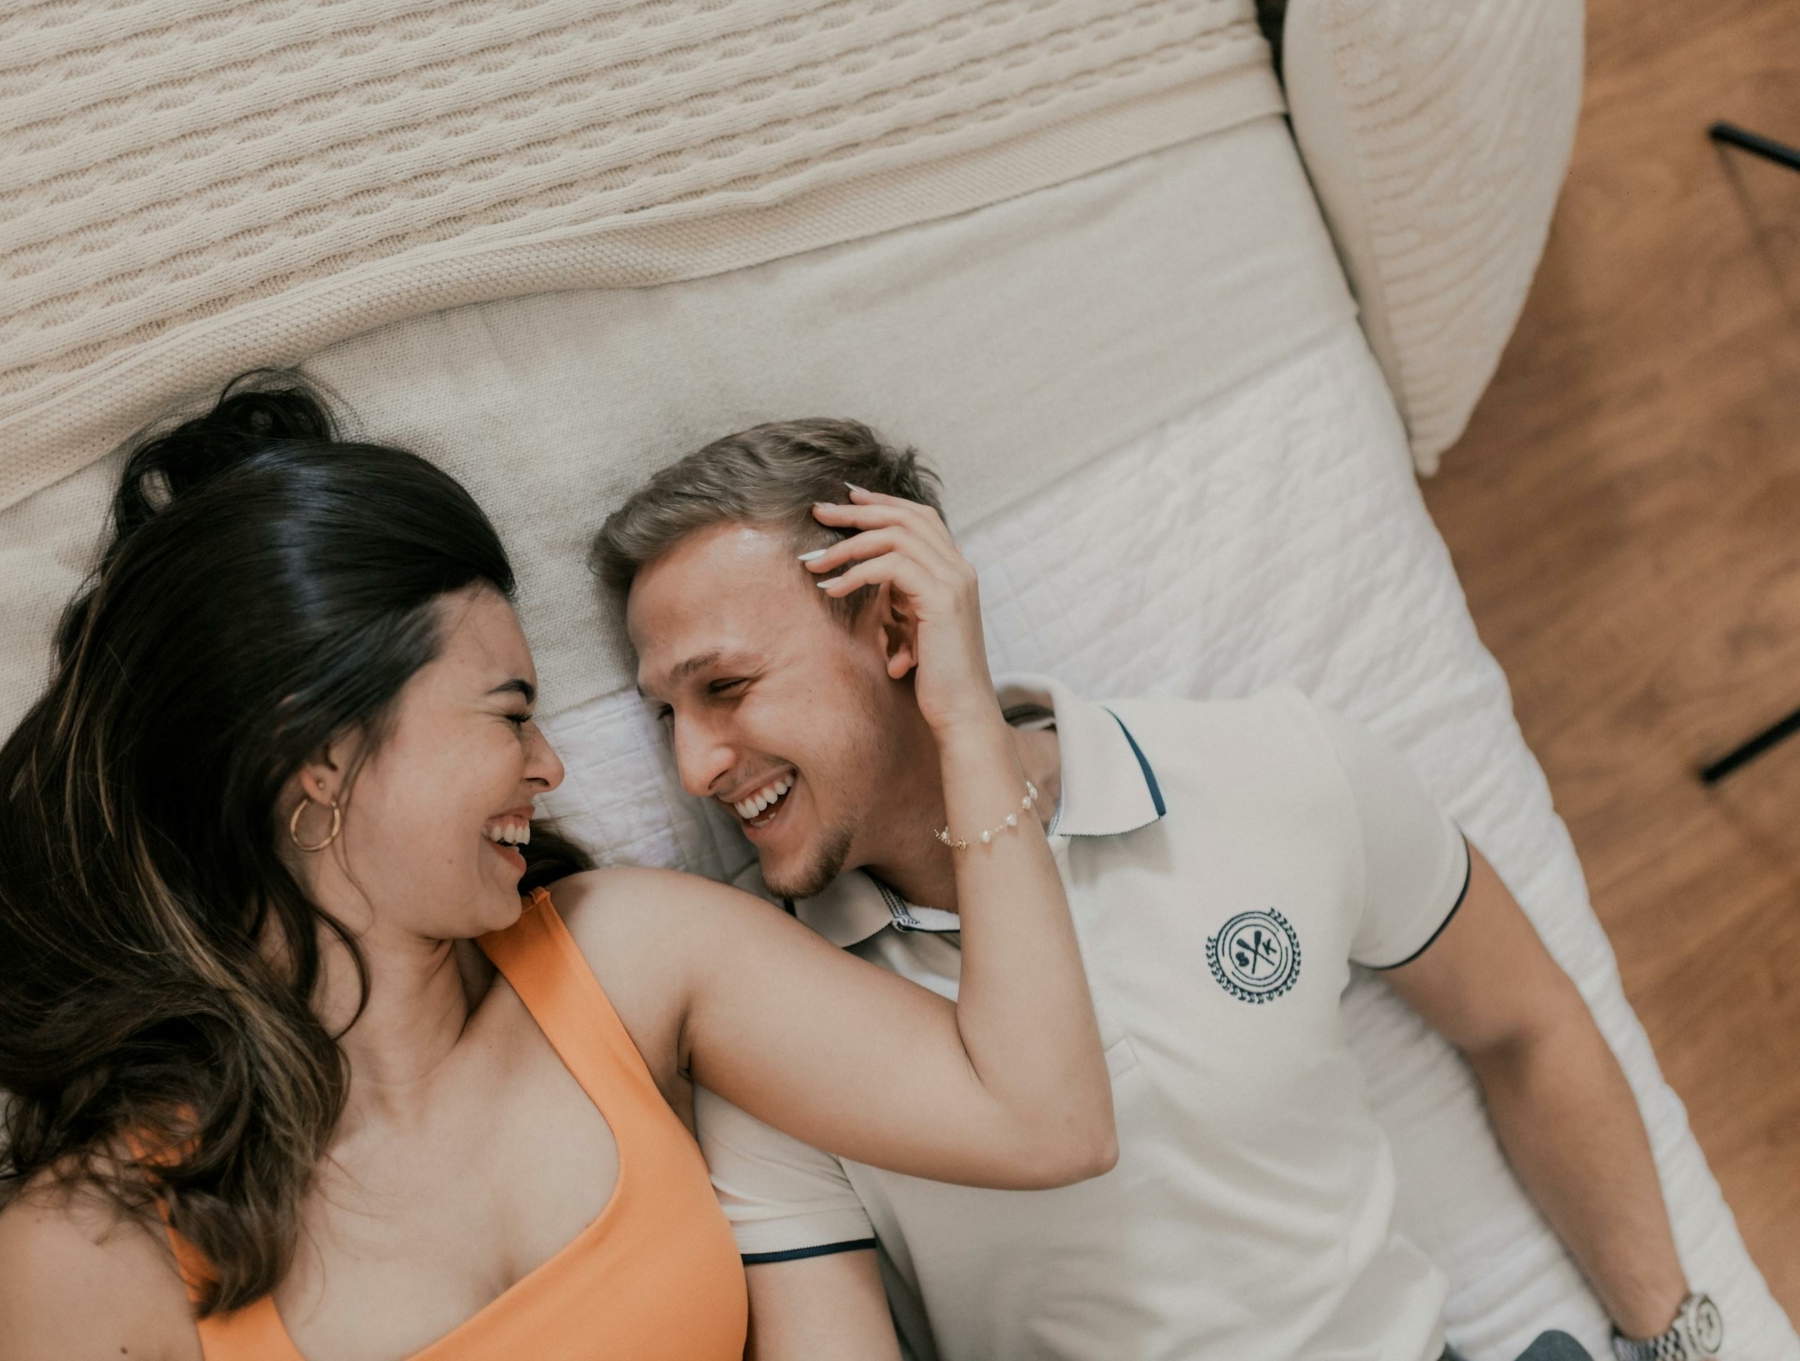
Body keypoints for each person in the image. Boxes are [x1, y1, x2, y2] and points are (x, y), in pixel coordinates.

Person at [0, 377, 1119, 1361]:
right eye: (508, 713)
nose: (549, 765)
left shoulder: (631, 953)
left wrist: (964, 718)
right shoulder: (87, 1257)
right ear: (318, 753)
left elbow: (1044, 1117)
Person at [592, 419, 1723, 1361]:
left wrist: (1671, 1337)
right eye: (665, 714)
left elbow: (1526, 1024)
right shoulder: (768, 1036)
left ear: (899, 625)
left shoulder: (1276, 767)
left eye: (724, 686)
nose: (692, 764)